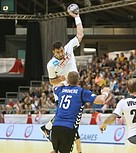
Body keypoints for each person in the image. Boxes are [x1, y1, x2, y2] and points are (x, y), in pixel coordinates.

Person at [40, 6, 84, 153]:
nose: (61, 53)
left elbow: (80, 35)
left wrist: (76, 17)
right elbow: (52, 82)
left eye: (62, 51)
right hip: (60, 87)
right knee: (66, 111)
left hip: (72, 84)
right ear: (54, 52)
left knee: (70, 113)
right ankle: (48, 128)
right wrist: (62, 78)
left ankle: (48, 128)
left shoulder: (69, 48)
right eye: (58, 52)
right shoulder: (51, 64)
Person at [51, 71, 110, 153]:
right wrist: (105, 92)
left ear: (68, 80)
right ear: (79, 80)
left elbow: (54, 88)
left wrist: (64, 82)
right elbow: (101, 100)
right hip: (68, 128)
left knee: (55, 151)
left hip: (55, 126)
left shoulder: (61, 90)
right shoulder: (81, 92)